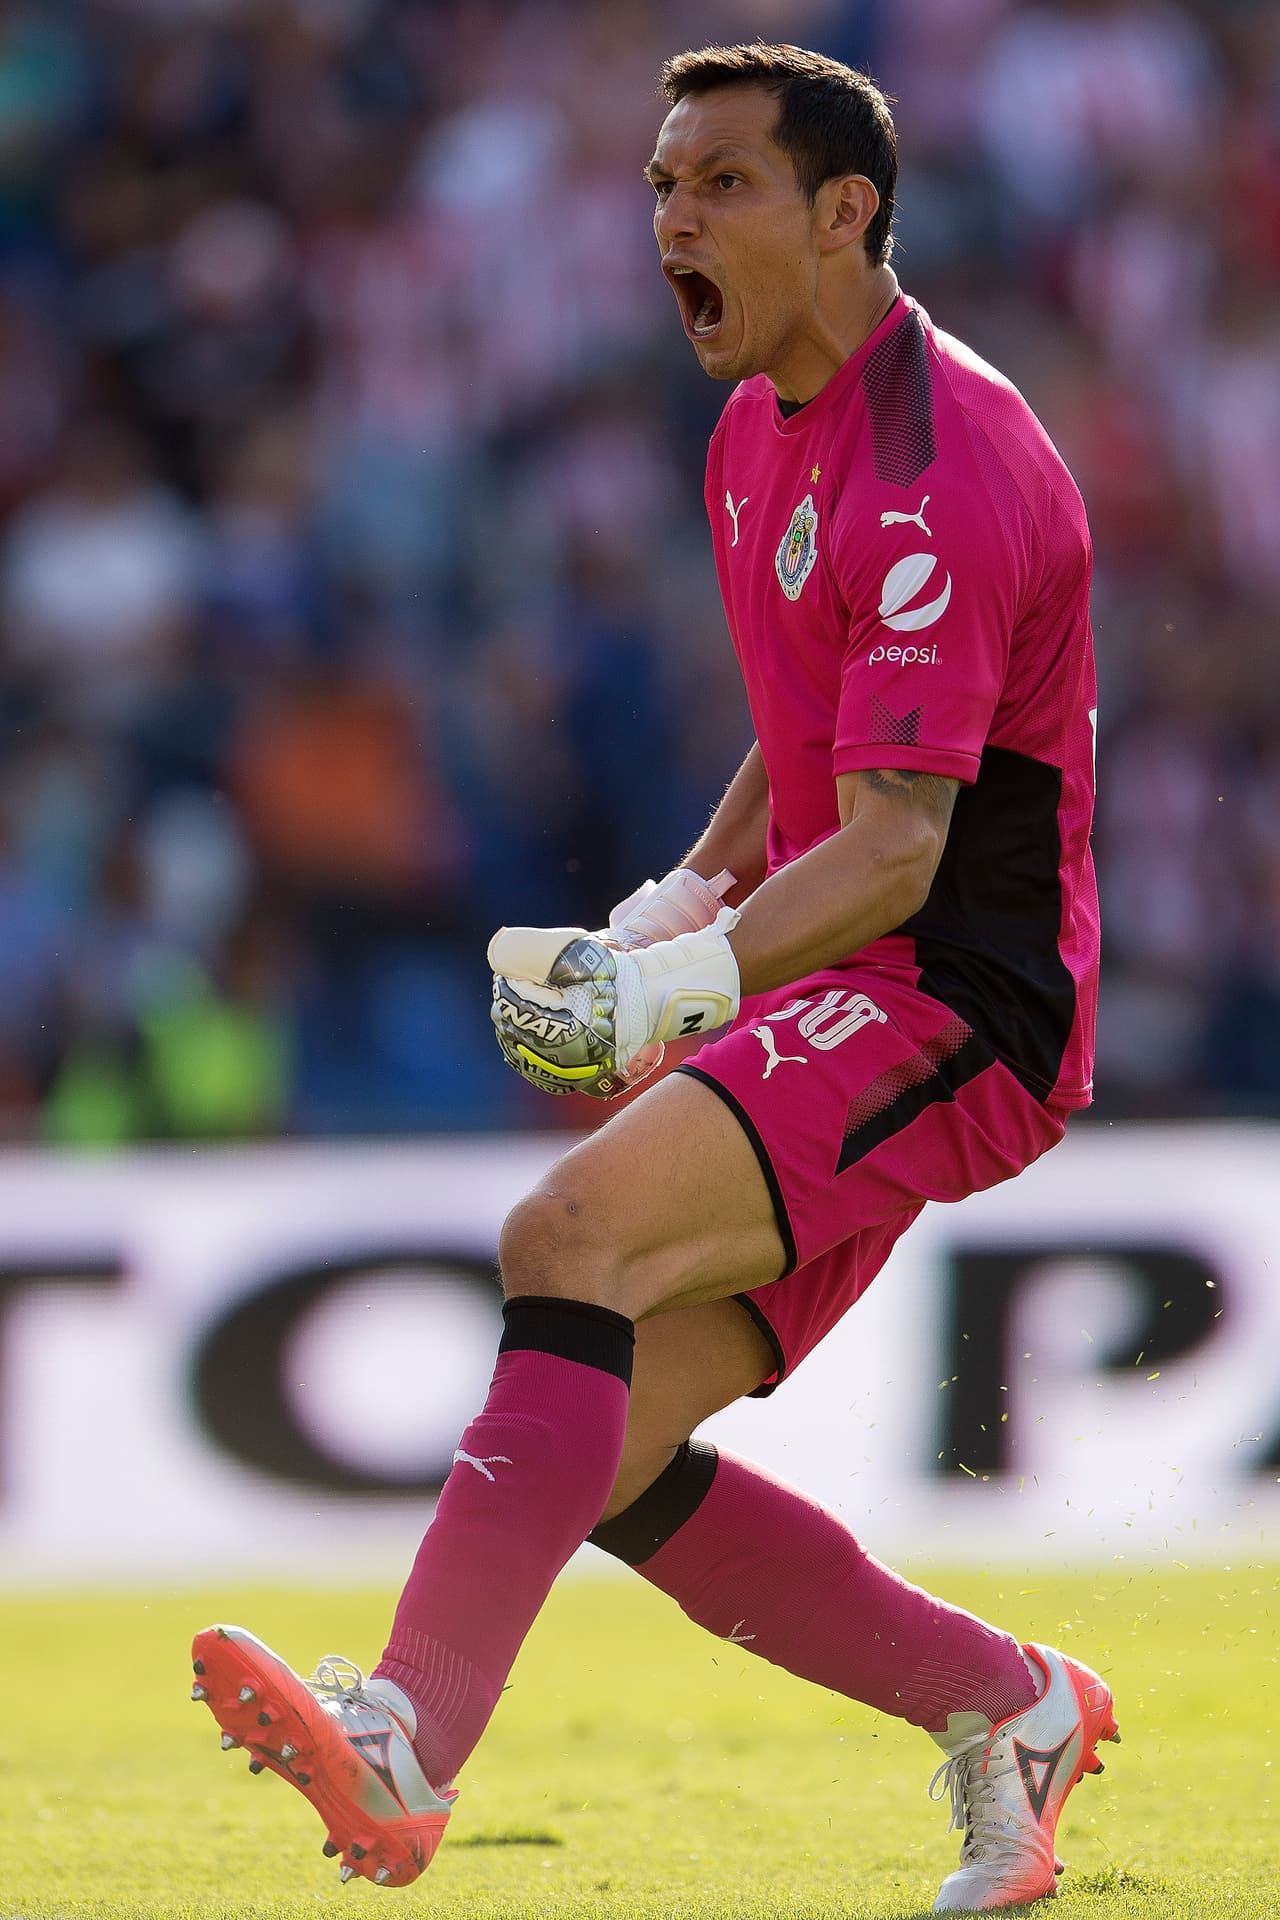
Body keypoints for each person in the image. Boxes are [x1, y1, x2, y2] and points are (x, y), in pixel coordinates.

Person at [191, 43, 1117, 1913]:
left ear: (847, 211)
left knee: (566, 1237)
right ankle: (1006, 1705)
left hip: (961, 998)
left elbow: (900, 847)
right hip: (851, 976)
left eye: (722, 187)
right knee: (600, 1450)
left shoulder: (944, 464)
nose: (673, 223)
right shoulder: (760, 422)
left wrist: (670, 982)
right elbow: (819, 732)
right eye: (661, 188)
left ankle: (405, 1741)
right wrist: (696, 875)